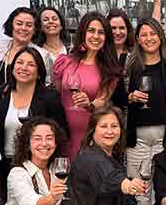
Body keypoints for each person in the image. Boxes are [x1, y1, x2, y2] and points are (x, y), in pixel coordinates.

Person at [120, 18, 166, 205]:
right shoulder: (129, 63)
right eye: (144, 34)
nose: (149, 38)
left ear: (160, 36)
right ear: (137, 39)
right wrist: (130, 97)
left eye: (153, 33)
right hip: (137, 138)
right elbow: (116, 97)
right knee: (139, 188)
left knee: (164, 187)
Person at [0, 47, 68, 198]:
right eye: (20, 62)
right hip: (7, 164)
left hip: (38, 165)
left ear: (39, 72)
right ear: (12, 68)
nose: (24, 67)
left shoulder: (49, 98)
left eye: (31, 64)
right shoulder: (0, 93)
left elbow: (62, 132)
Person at [52, 12, 123, 161]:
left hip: (91, 134)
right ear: (83, 33)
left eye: (101, 32)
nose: (96, 36)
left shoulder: (110, 70)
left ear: (106, 37)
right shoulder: (64, 62)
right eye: (91, 30)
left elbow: (101, 101)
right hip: (63, 133)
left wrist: (88, 104)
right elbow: (56, 96)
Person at [0, 7, 44, 107]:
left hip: (26, 108)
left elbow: (44, 86)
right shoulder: (0, 45)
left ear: (35, 30)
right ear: (11, 26)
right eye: (19, 23)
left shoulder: (42, 54)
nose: (23, 28)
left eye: (29, 25)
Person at [34, 6, 68, 73]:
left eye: (54, 19)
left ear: (61, 25)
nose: (50, 21)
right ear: (41, 26)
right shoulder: (36, 51)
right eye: (45, 20)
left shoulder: (72, 48)